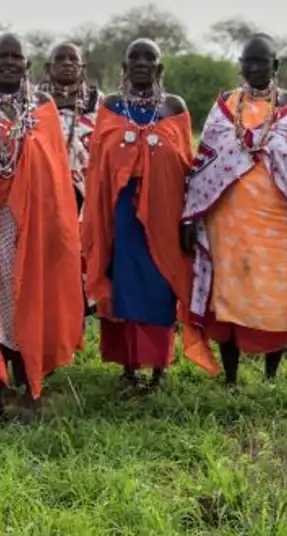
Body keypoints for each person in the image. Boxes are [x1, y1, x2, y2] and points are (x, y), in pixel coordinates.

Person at [182, 34, 287, 384]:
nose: (253, 68)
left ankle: (271, 376)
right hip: (229, 220)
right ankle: (231, 378)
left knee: (279, 299)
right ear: (240, 66)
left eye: (261, 62)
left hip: (282, 222)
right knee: (228, 296)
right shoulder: (225, 106)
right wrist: (191, 216)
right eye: (247, 62)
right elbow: (203, 163)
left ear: (275, 66)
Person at [0, 33, 85, 427]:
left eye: (17, 57)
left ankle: (31, 392)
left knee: (32, 302)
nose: (9, 62)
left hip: (34, 231)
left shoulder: (43, 110)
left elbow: (56, 177)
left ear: (27, 65)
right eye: (1, 56)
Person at [81, 40, 218, 391]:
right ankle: (128, 368)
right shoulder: (110, 108)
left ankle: (158, 367)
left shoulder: (175, 107)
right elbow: (99, 168)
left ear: (159, 69)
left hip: (164, 215)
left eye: (149, 59)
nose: (142, 64)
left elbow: (187, 166)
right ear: (124, 68)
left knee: (160, 287)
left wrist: (188, 219)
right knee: (123, 286)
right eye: (134, 59)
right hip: (121, 214)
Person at [40, 42, 99, 210]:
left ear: (82, 67)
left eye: (73, 59)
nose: (67, 63)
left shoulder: (99, 102)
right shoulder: (33, 102)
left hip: (88, 189)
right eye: (59, 59)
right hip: (43, 187)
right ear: (47, 67)